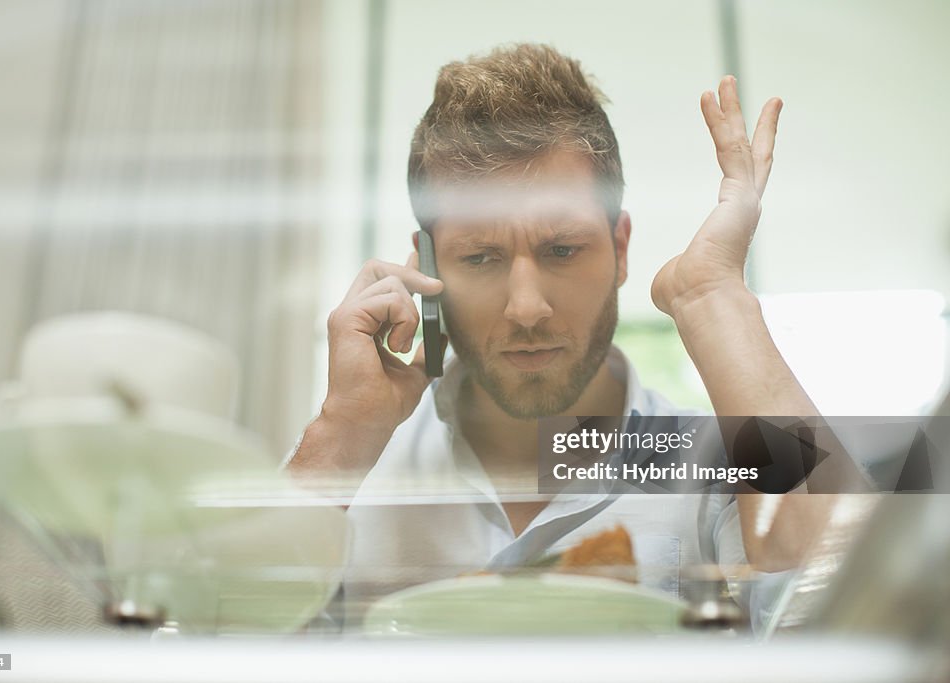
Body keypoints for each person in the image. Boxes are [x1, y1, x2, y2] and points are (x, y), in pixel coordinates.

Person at [287, 43, 843, 623]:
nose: (527, 308)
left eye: (562, 249)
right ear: (426, 269)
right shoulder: (351, 470)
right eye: (479, 257)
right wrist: (343, 431)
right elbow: (224, 637)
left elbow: (841, 622)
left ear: (620, 249)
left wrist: (712, 296)